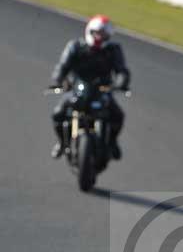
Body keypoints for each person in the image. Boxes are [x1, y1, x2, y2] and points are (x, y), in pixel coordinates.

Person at [49, 15, 131, 160]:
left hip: (102, 90)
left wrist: (121, 83)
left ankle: (112, 142)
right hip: (77, 89)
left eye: (103, 34)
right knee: (58, 114)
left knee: (118, 116)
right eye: (97, 33)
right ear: (89, 31)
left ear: (108, 36)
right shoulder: (75, 46)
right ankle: (62, 143)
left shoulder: (113, 50)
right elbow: (62, 67)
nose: (99, 37)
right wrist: (59, 80)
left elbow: (121, 70)